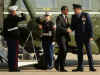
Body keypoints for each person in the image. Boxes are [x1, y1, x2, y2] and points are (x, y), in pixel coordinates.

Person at [69, 4, 96, 72]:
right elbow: (73, 26)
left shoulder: (85, 15)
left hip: (86, 37)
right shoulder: (74, 16)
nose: (74, 11)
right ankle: (80, 68)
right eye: (74, 9)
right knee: (80, 53)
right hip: (78, 38)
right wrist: (69, 29)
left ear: (79, 9)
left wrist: (91, 36)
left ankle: (91, 67)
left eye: (75, 9)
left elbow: (90, 25)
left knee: (89, 52)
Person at [3, 5, 26, 72]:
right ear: (13, 12)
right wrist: (21, 13)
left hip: (9, 38)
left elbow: (4, 30)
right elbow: (24, 18)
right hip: (14, 38)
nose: (16, 12)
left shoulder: (6, 19)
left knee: (10, 53)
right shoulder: (15, 17)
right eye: (16, 11)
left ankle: (10, 67)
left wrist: (5, 38)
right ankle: (15, 68)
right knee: (15, 54)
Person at [55, 6, 71, 72]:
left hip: (66, 37)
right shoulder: (59, 17)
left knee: (63, 51)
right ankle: (60, 66)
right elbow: (58, 27)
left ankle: (59, 64)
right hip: (61, 37)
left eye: (68, 10)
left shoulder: (66, 17)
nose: (67, 11)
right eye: (66, 10)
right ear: (62, 11)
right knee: (63, 50)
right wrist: (66, 30)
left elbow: (68, 26)